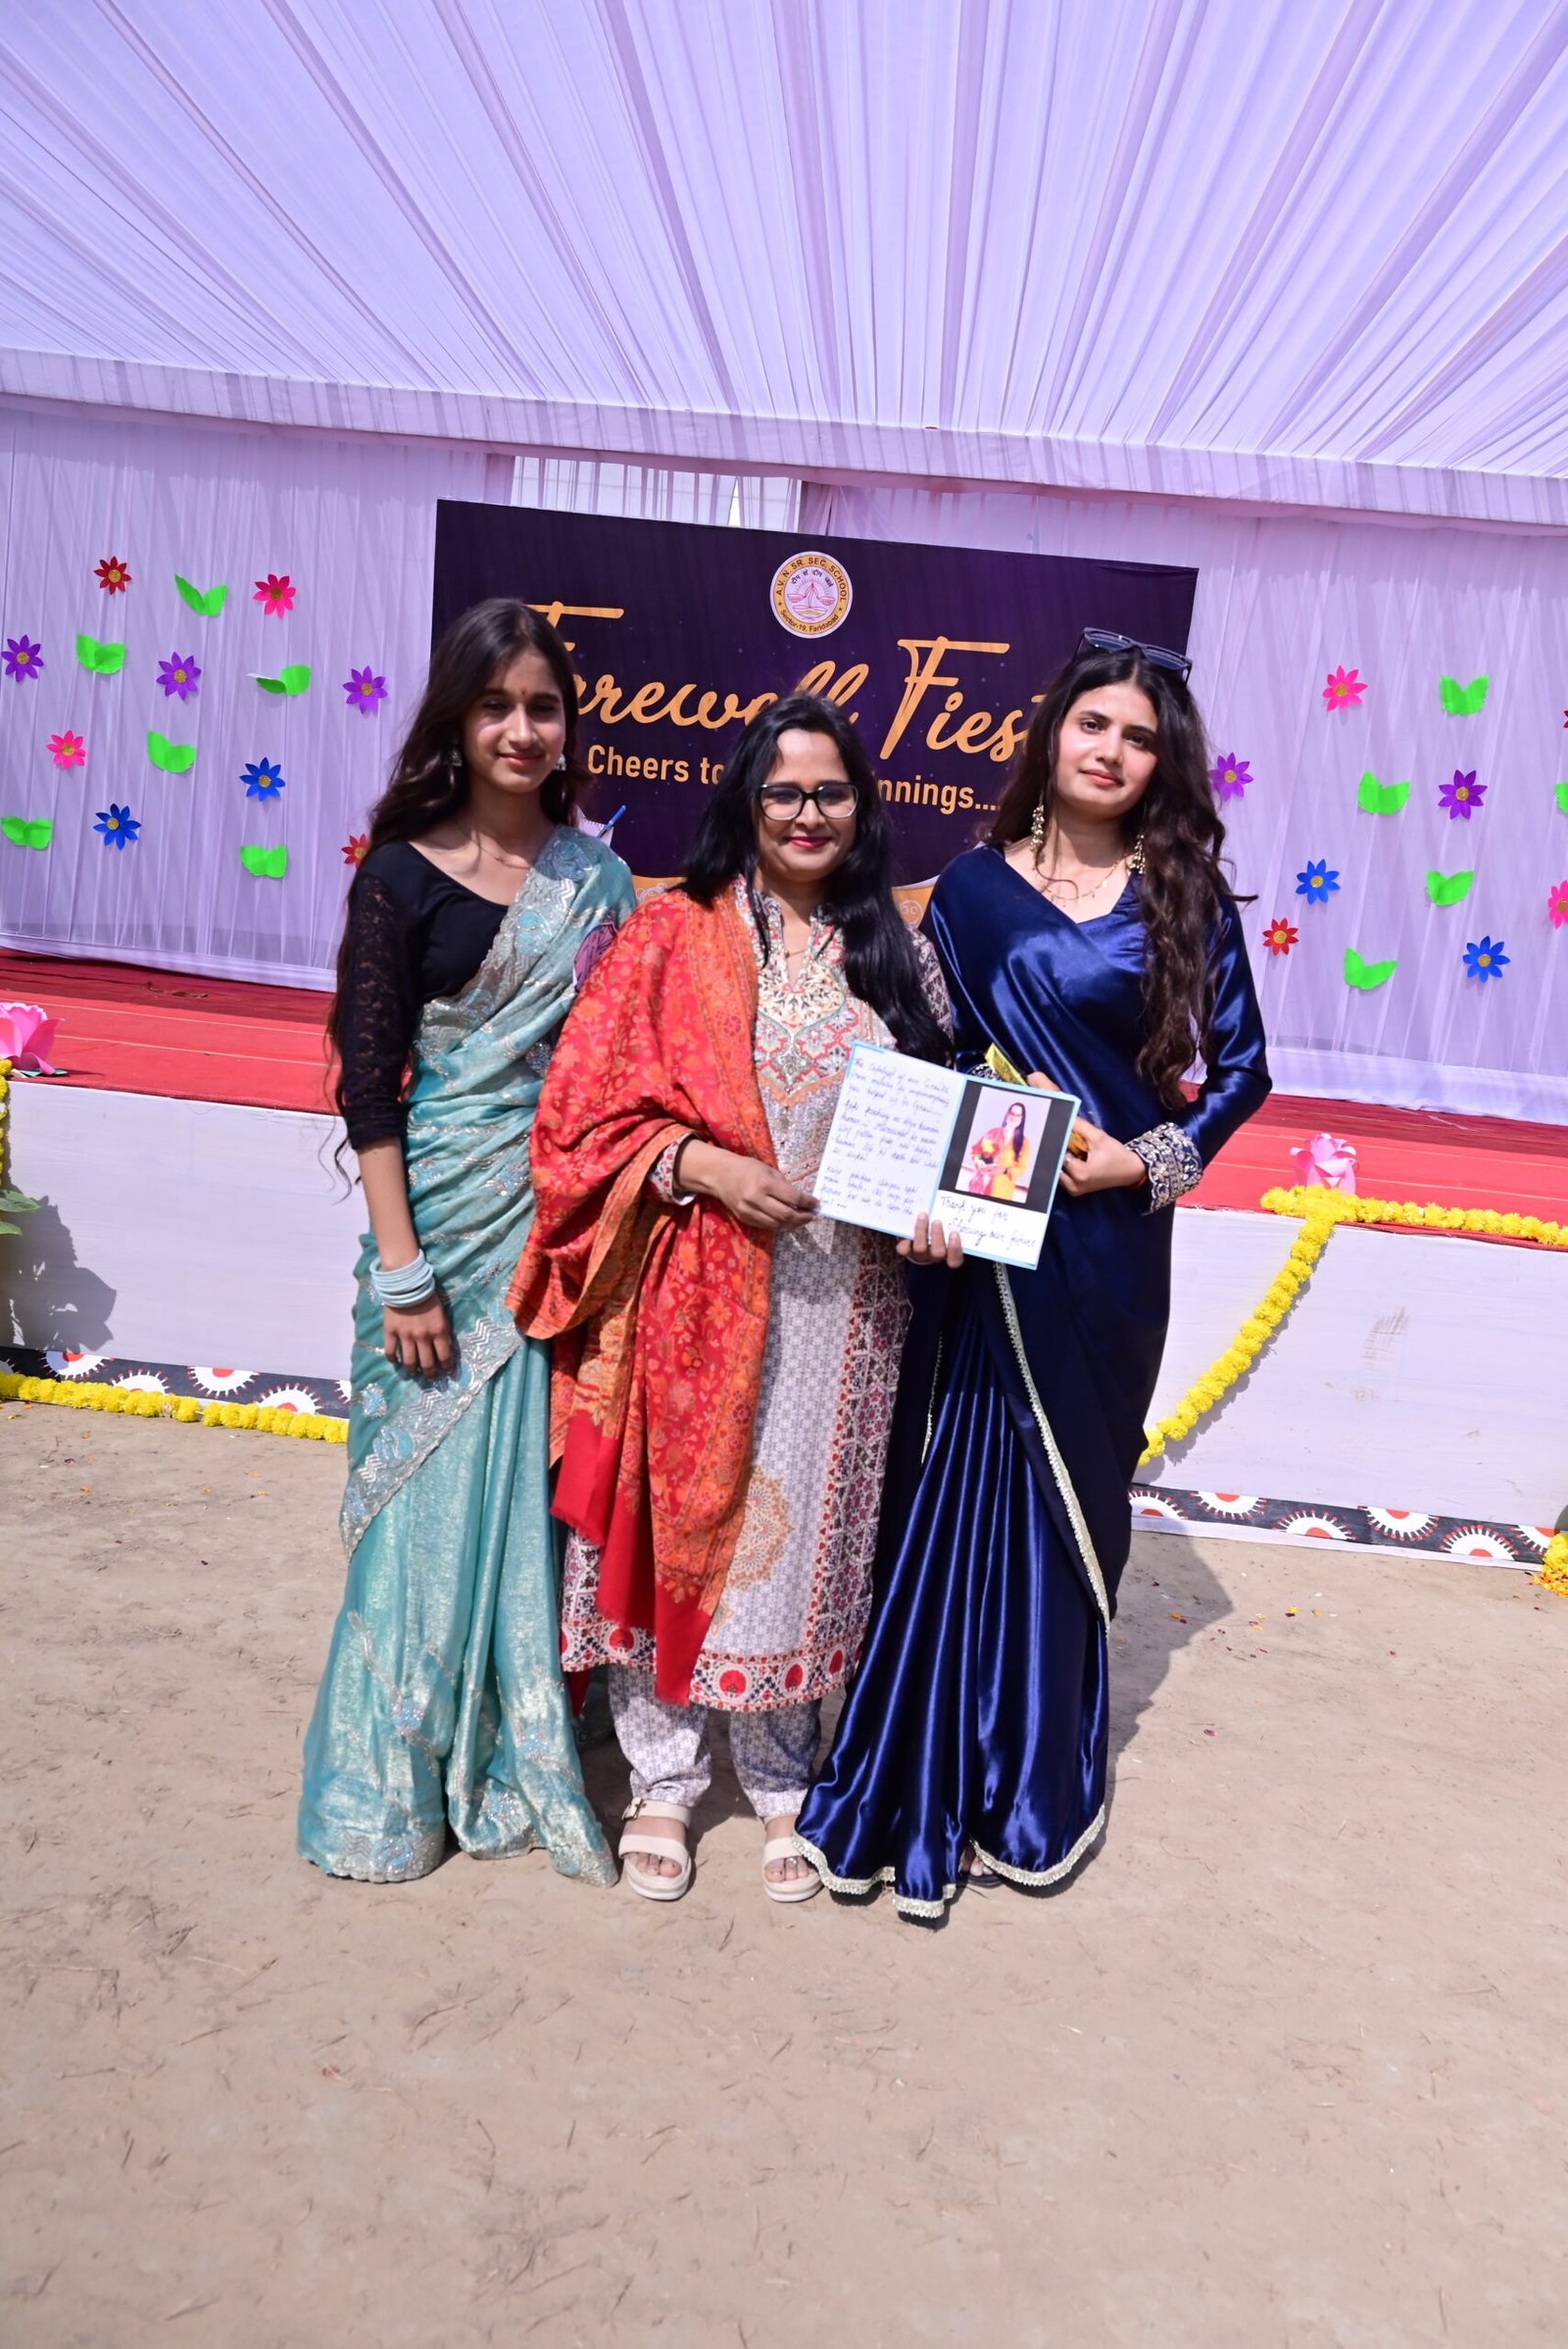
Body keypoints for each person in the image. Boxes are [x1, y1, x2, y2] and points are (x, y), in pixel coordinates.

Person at [796, 631, 1271, 1919]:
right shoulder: (968, 888)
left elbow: (1241, 1074)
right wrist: (919, 1201)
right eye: (1093, 724)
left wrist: (1141, 1163)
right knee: (957, 1470)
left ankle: (1027, 1774)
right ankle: (916, 1761)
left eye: (1139, 738)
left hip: (1105, 1251)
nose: (1111, 751)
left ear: (1162, 765)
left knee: (1065, 1487)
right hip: (980, 1240)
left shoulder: (1183, 901)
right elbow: (928, 1050)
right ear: (1052, 732)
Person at [509, 694, 954, 1904]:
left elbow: (935, 1125)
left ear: (861, 807)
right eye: (784, 792)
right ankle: (661, 1777)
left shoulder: (896, 950)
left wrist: (936, 1214)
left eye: (831, 792)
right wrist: (704, 1167)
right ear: (747, 803)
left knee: (800, 1538)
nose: (808, 814)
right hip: (694, 1283)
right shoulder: (674, 932)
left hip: (845, 1302)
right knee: (677, 1520)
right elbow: (580, 1112)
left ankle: (778, 1773)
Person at [297, 601, 632, 1885]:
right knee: (417, 1514)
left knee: (519, 1511)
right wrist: (403, 1272)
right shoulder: (398, 875)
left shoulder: (595, 887)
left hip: (553, 1238)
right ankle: (384, 1787)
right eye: (496, 705)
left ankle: (498, 1752)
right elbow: (369, 1086)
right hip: (437, 1229)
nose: (521, 729)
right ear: (457, 717)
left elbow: (616, 1074)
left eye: (542, 706)